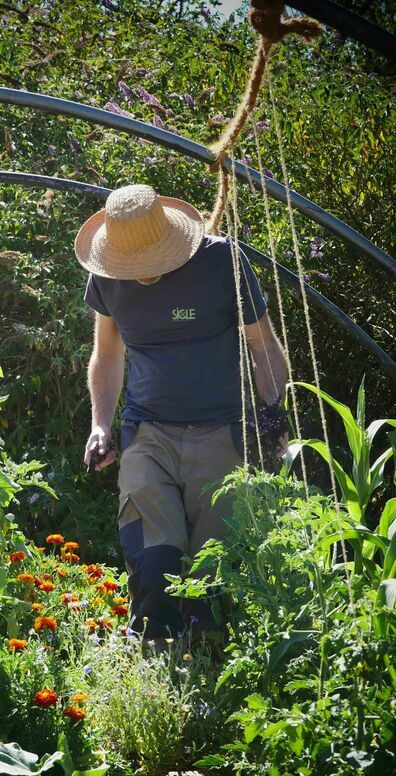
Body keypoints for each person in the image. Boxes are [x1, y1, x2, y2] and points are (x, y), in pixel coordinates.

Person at [75, 184, 288, 647]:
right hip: (147, 431)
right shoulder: (106, 276)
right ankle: (154, 660)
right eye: (132, 266)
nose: (142, 275)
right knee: (154, 558)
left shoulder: (220, 262)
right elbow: (107, 355)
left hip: (222, 431)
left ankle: (212, 669)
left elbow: (263, 346)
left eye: (150, 263)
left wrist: (275, 416)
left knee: (215, 571)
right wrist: (101, 426)